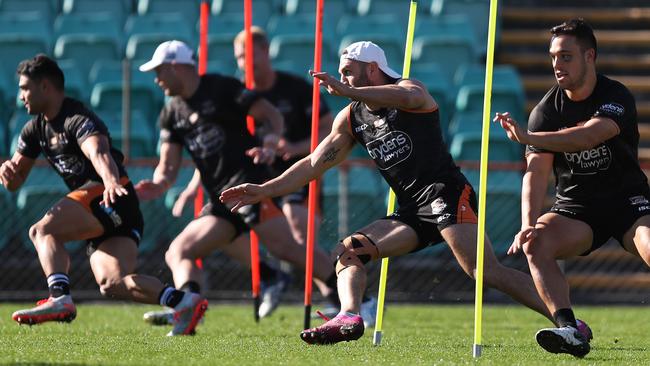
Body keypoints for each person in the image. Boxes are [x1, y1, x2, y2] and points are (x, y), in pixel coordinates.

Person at [220, 41, 559, 345]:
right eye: (341, 74)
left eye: (348, 72)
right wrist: (264, 189)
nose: (342, 79)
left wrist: (351, 91)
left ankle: (567, 320)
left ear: (372, 69)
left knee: (484, 271)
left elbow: (409, 97)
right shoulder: (351, 118)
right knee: (348, 252)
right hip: (410, 210)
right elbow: (313, 164)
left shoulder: (410, 89)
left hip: (446, 194)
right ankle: (349, 317)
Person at [134, 40, 343, 325]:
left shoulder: (222, 88)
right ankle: (187, 306)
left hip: (250, 185)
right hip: (221, 198)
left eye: (159, 72)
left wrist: (270, 143)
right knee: (179, 251)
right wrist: (158, 184)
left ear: (175, 67)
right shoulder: (171, 113)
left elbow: (271, 115)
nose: (156, 80)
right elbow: (168, 166)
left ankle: (355, 298)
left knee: (290, 249)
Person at [3, 54, 206, 336]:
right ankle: (183, 301)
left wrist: (110, 181)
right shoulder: (34, 129)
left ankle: (59, 296)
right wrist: (10, 177)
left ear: (45, 87)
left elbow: (98, 152)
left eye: (25, 88)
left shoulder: (77, 118)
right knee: (112, 283)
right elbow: (16, 180)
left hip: (110, 194)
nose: (21, 96)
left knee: (41, 230)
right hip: (118, 209)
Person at [494, 18, 649, 358]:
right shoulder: (545, 112)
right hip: (577, 209)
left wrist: (529, 137)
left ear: (589, 57)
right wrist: (527, 223)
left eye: (566, 56)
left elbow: (590, 135)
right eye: (552, 57)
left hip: (628, 201)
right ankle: (569, 329)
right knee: (536, 243)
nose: (556, 65)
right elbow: (535, 173)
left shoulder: (615, 95)